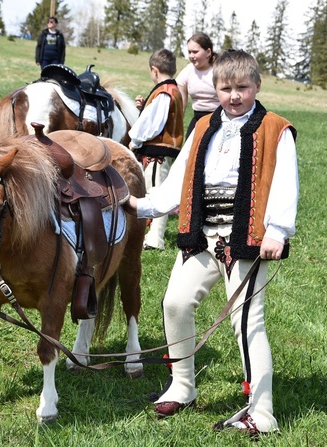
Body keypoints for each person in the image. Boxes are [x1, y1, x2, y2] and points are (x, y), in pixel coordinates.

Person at [127, 49, 298, 437]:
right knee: (174, 303)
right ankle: (183, 386)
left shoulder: (276, 128)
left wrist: (278, 230)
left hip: (248, 239)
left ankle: (263, 411)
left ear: (257, 86)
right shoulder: (204, 126)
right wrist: (140, 205)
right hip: (201, 237)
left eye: (242, 87)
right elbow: (179, 181)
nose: (234, 95)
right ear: (215, 88)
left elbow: (286, 181)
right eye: (225, 88)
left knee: (246, 322)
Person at [128, 49, 184, 251]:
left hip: (157, 152)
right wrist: (144, 107)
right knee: (155, 190)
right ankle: (150, 234)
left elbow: (154, 124)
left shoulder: (164, 92)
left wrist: (135, 139)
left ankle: (155, 239)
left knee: (156, 192)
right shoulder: (171, 90)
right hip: (163, 151)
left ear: (154, 70)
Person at [176, 32, 220, 138]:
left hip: (219, 119)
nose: (191, 56)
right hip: (197, 119)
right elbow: (181, 102)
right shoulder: (188, 71)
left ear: (208, 52)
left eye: (195, 52)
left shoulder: (219, 70)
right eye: (189, 52)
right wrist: (176, 124)